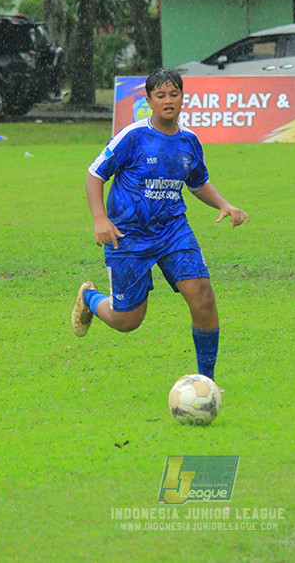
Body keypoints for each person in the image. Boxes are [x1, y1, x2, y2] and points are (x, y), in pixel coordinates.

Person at [72, 67, 249, 387]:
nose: (168, 100)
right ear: (149, 101)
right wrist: (101, 219)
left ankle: (206, 383)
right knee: (128, 321)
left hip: (172, 231)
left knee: (204, 298)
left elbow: (198, 183)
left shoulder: (189, 141)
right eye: (161, 95)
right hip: (128, 233)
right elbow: (94, 174)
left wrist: (224, 204)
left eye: (174, 94)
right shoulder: (133, 136)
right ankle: (90, 299)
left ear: (183, 98)